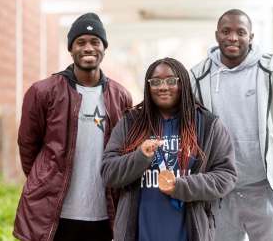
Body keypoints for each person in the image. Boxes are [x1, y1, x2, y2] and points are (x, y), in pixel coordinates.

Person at [13, 12, 132, 241]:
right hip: (55, 214)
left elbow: (125, 150)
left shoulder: (120, 96)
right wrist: (45, 178)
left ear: (104, 48)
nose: (88, 48)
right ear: (71, 49)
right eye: (81, 42)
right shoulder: (43, 92)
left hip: (104, 212)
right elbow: (27, 146)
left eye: (95, 42)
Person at [190, 9, 273, 241]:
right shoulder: (198, 77)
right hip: (219, 195)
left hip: (266, 193)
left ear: (251, 37)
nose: (233, 37)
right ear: (217, 35)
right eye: (226, 31)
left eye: (241, 32)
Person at [101, 57, 237, 241]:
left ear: (183, 83)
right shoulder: (131, 123)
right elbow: (108, 172)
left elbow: (226, 176)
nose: (163, 87)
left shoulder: (207, 125)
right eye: (155, 82)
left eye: (171, 81)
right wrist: (139, 157)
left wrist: (182, 186)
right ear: (148, 87)